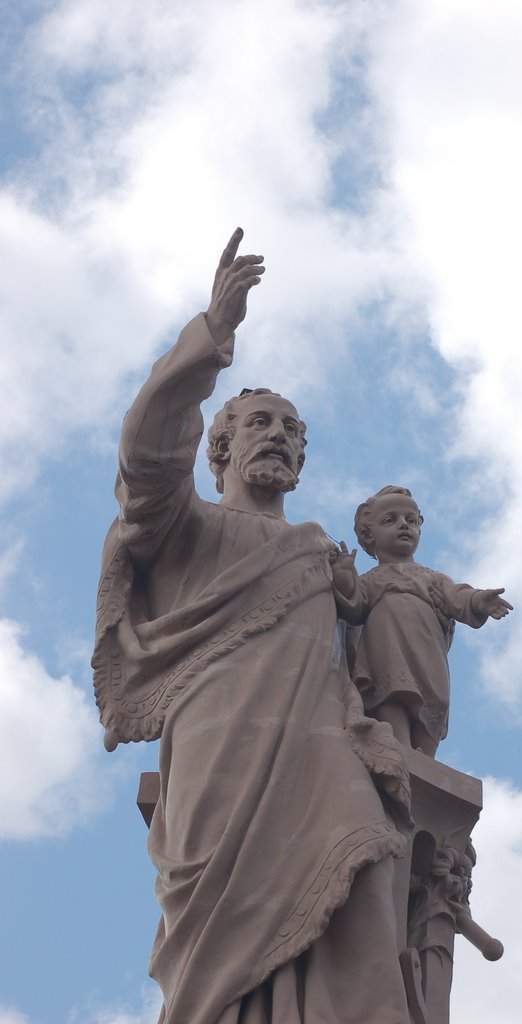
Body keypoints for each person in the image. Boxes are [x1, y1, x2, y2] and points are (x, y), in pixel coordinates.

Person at [92, 231, 413, 1024]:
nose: (278, 434)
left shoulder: (320, 556)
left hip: (322, 743)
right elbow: (145, 455)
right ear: (221, 448)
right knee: (220, 936)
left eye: (291, 429)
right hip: (222, 746)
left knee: (365, 881)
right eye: (261, 422)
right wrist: (213, 337)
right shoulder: (186, 528)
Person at [330, 486, 512, 756]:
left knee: (431, 706)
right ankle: (396, 751)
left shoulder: (433, 578)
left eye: (411, 520)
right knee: (391, 696)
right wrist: (344, 577)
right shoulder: (371, 580)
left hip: (428, 656)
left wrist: (479, 600)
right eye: (390, 520)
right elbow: (353, 609)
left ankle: (425, 764)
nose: (404, 525)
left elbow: (458, 596)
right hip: (386, 655)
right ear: (370, 534)